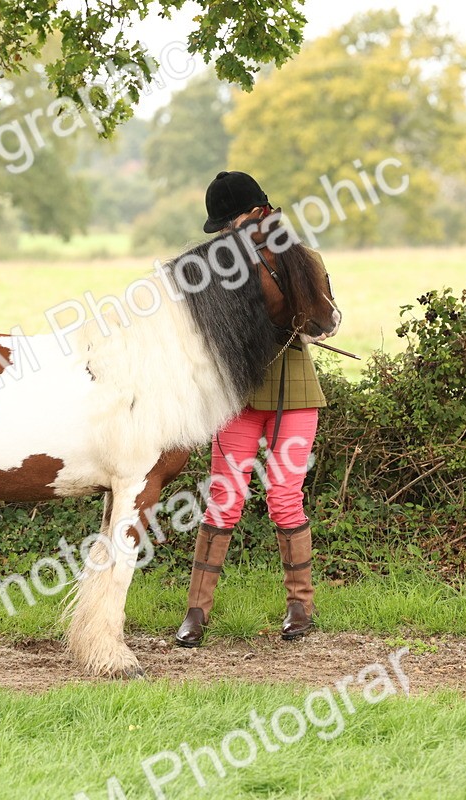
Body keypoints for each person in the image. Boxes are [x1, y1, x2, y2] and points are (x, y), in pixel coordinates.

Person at [175, 170, 329, 647]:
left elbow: (330, 322)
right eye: (223, 229)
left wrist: (300, 315)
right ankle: (196, 614)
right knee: (225, 499)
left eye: (234, 223)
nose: (227, 234)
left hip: (296, 394)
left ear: (261, 214)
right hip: (237, 399)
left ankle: (300, 607)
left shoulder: (305, 260)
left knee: (285, 497)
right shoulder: (217, 274)